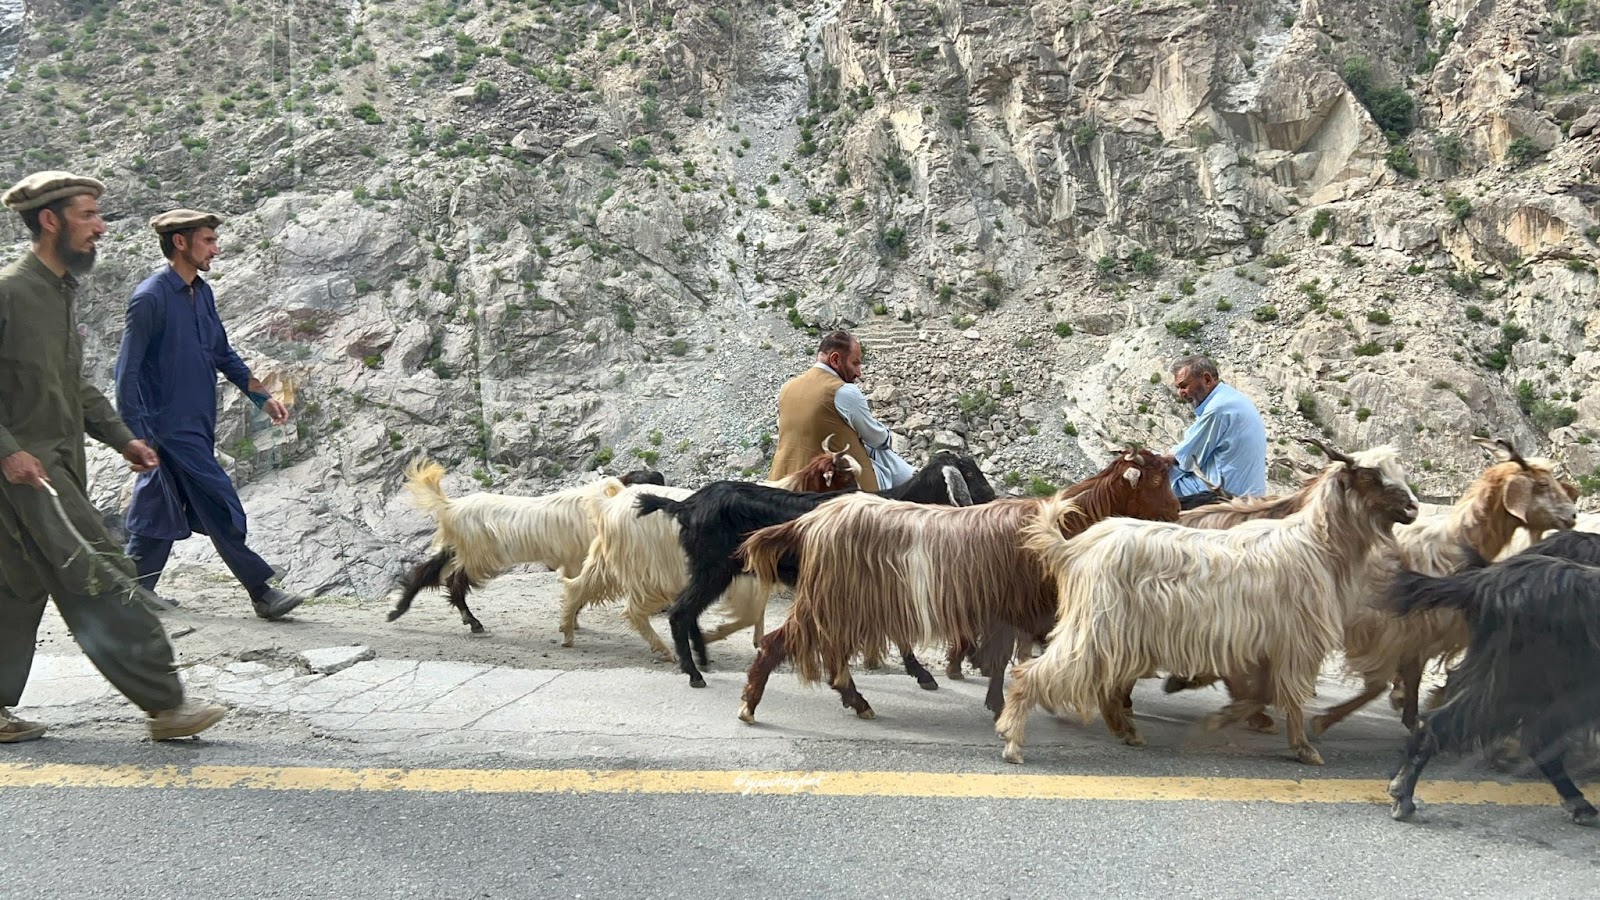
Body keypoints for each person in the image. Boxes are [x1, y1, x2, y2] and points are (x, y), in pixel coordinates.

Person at [0, 171, 226, 743]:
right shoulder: (9, 292)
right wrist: (9, 453)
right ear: (49, 221)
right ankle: (165, 703)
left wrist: (121, 436)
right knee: (101, 573)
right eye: (87, 215)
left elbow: (71, 387)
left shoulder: (57, 292)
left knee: (16, 588)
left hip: (51, 466)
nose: (100, 227)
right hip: (29, 476)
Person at [114, 209, 305, 620]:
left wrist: (261, 397)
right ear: (180, 243)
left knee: (157, 511)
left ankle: (132, 595)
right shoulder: (150, 298)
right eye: (207, 241)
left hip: (197, 426)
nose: (216, 249)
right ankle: (262, 592)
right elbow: (125, 373)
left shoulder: (202, 293)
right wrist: (135, 436)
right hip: (166, 429)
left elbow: (222, 353)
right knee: (220, 504)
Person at [769, 330, 914, 492]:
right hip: (828, 485)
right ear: (835, 359)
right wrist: (887, 437)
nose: (859, 373)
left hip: (782, 482)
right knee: (879, 450)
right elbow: (877, 438)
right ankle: (915, 484)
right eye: (855, 363)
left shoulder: (787, 387)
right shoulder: (843, 391)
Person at [1163, 354, 1268, 510]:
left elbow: (1187, 459)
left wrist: (1155, 459)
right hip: (1250, 492)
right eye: (1178, 388)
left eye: (1184, 386)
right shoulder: (1229, 397)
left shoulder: (1217, 410)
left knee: (1153, 485)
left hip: (1227, 495)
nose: (1180, 393)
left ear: (1206, 379)